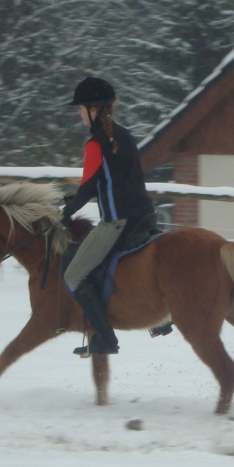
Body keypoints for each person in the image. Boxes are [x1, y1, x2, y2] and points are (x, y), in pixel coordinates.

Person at [60, 76, 157, 356]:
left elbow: (87, 188)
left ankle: (105, 338)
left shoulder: (95, 145)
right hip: (146, 217)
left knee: (74, 274)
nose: (78, 114)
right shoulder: (126, 136)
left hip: (117, 223)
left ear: (93, 110)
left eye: (80, 108)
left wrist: (65, 213)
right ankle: (159, 322)